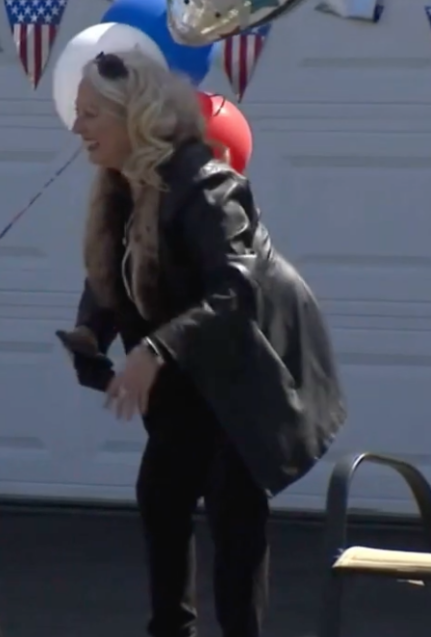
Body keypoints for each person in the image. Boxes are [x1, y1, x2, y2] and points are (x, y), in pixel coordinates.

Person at [57, 51, 347, 637]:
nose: (77, 127)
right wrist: (92, 331)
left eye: (90, 114)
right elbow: (112, 273)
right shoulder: (120, 185)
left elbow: (237, 288)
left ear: (134, 116)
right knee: (161, 494)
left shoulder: (207, 184)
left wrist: (154, 351)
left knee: (234, 512)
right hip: (188, 368)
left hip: (247, 368)